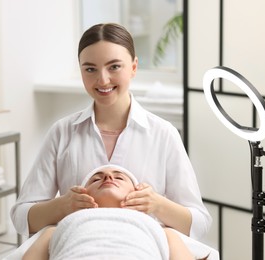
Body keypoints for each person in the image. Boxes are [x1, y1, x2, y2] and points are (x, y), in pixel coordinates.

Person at [11, 23, 211, 241]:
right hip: (78, 250)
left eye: (114, 67)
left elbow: (199, 223)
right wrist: (62, 205)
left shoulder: (163, 134)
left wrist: (157, 204)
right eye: (90, 69)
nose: (103, 80)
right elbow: (21, 218)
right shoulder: (62, 133)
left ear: (134, 67)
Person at [22, 165, 208, 260]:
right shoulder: (56, 229)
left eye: (119, 177)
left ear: (137, 194)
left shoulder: (161, 231)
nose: (108, 177)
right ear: (82, 195)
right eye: (96, 179)